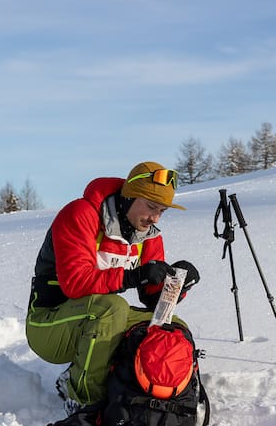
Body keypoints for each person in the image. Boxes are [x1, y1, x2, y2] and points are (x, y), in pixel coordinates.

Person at [26, 161, 200, 426]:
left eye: (162, 211)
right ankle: (82, 398)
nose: (155, 217)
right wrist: (135, 275)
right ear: (129, 196)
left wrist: (175, 285)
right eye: (151, 206)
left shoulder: (148, 234)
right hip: (48, 324)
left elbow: (152, 301)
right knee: (112, 308)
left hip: (92, 319)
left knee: (172, 327)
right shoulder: (81, 214)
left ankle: (163, 399)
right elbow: (74, 283)